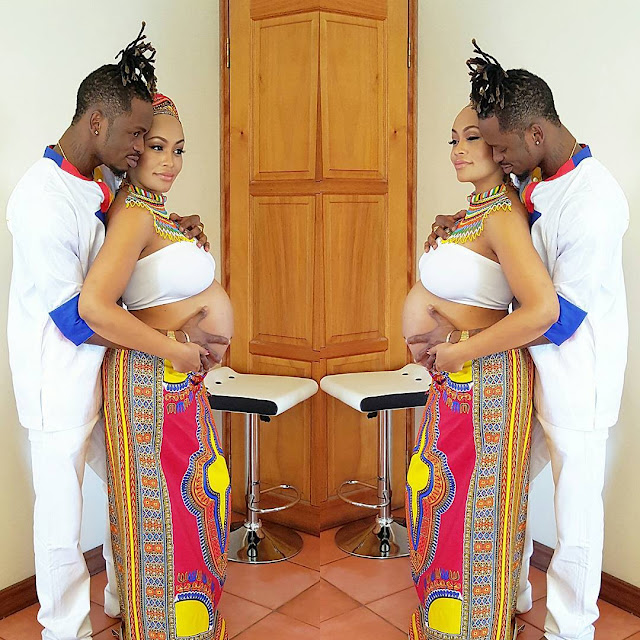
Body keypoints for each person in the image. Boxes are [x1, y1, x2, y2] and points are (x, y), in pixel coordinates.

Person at [6, 25, 222, 640]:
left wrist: (174, 226)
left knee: (128, 485)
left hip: (104, 374)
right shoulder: (40, 199)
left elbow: (123, 248)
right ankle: (64, 629)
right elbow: (79, 316)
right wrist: (171, 343)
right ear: (96, 121)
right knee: (61, 516)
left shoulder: (96, 183)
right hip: (56, 382)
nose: (140, 150)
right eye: (135, 136)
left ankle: (127, 596)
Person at [414, 42, 629, 640]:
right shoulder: (537, 179)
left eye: (501, 147)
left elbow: (554, 316)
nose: (496, 158)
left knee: (576, 515)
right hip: (532, 371)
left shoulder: (594, 201)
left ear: (535, 134)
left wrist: (465, 347)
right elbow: (510, 246)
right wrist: (463, 231)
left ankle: (570, 628)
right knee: (505, 482)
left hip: (578, 379)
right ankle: (511, 590)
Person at [78, 93, 233, 640]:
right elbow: (94, 306)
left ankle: (185, 623)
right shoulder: (135, 213)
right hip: (150, 382)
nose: (170, 161)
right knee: (158, 514)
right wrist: (174, 348)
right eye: (158, 147)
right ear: (134, 150)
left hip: (177, 380)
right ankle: (160, 628)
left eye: (179, 150)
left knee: (193, 502)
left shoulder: (154, 210)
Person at [403, 104, 559, 640]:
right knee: (439, 500)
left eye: (471, 138)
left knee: (478, 513)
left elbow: (542, 310)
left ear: (498, 144)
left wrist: (460, 352)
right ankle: (446, 622)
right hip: (454, 380)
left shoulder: (501, 215)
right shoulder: (476, 211)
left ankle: (477, 628)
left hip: (486, 380)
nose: (458, 150)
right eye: (453, 139)